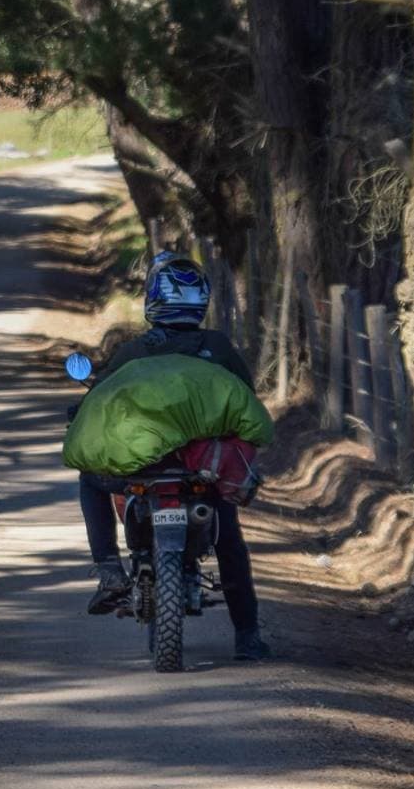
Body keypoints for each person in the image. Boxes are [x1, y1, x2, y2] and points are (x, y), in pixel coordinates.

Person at [78, 250, 270, 659]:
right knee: (229, 542)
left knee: (89, 478)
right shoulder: (217, 347)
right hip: (202, 471)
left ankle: (109, 569)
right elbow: (245, 397)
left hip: (144, 468)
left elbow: (101, 398)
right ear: (202, 300)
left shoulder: (134, 351)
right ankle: (248, 636)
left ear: (153, 298)